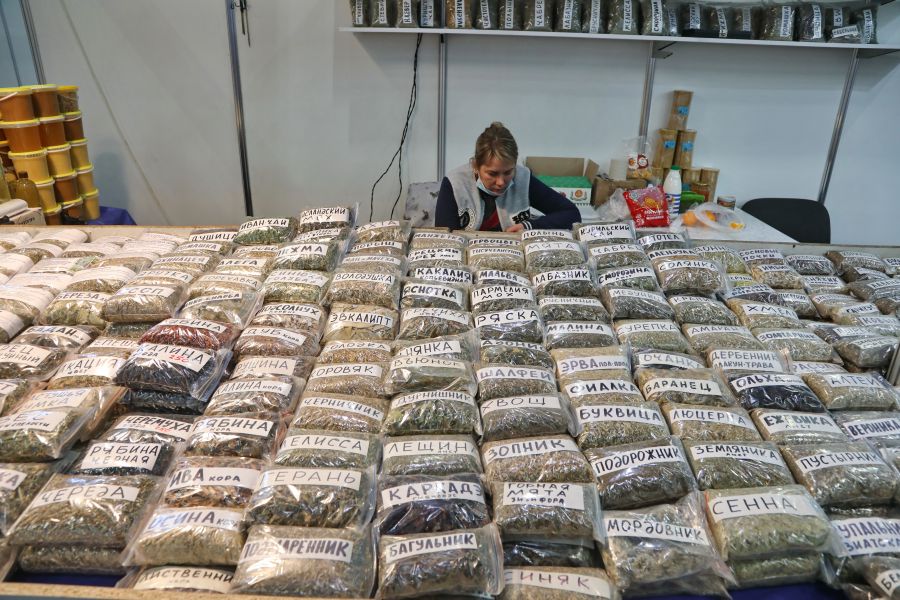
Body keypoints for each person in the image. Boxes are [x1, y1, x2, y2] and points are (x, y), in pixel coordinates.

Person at [434, 122, 581, 232]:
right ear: (476, 166)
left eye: (508, 172)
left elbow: (571, 214)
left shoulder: (522, 177)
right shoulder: (455, 183)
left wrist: (529, 226)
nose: (501, 182)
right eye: (492, 174)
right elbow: (445, 237)